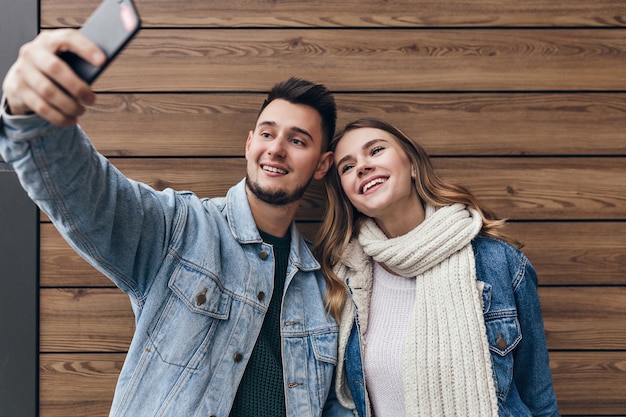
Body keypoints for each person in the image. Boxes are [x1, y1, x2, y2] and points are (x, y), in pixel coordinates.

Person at [0, 29, 352, 417]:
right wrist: (29, 112)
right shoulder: (179, 228)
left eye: (298, 141)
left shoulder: (325, 289)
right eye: (267, 133)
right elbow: (87, 190)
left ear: (322, 164)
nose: (276, 148)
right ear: (249, 143)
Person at [314, 117, 561, 417]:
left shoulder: (499, 263)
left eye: (376, 150)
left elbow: (538, 396)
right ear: (347, 193)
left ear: (414, 166)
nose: (362, 166)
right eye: (347, 167)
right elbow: (339, 402)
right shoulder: (344, 280)